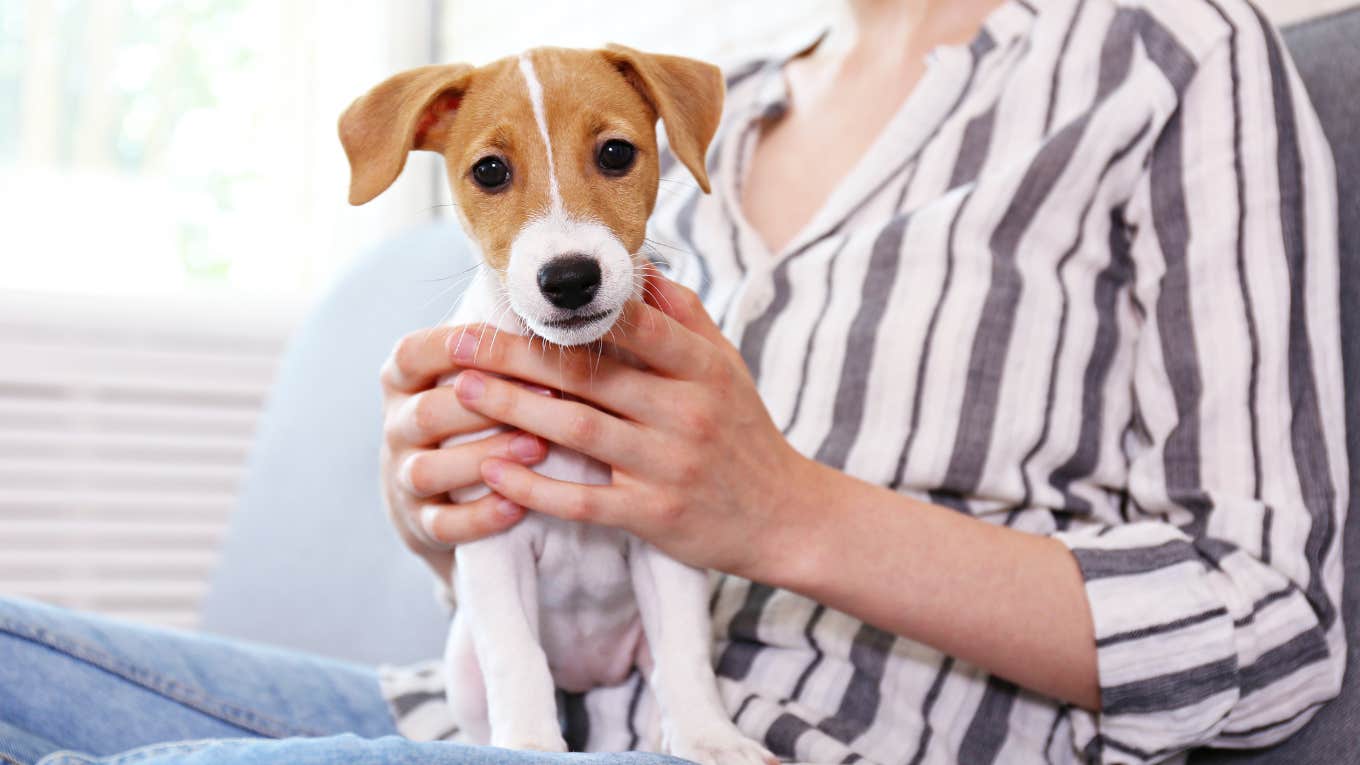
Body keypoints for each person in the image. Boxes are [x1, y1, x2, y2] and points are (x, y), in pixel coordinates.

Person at [0, 0, 1346, 763]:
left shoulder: (1168, 63)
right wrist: (438, 503)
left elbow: (1278, 627)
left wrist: (784, 511)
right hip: (470, 713)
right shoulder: (714, 103)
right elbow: (563, 493)